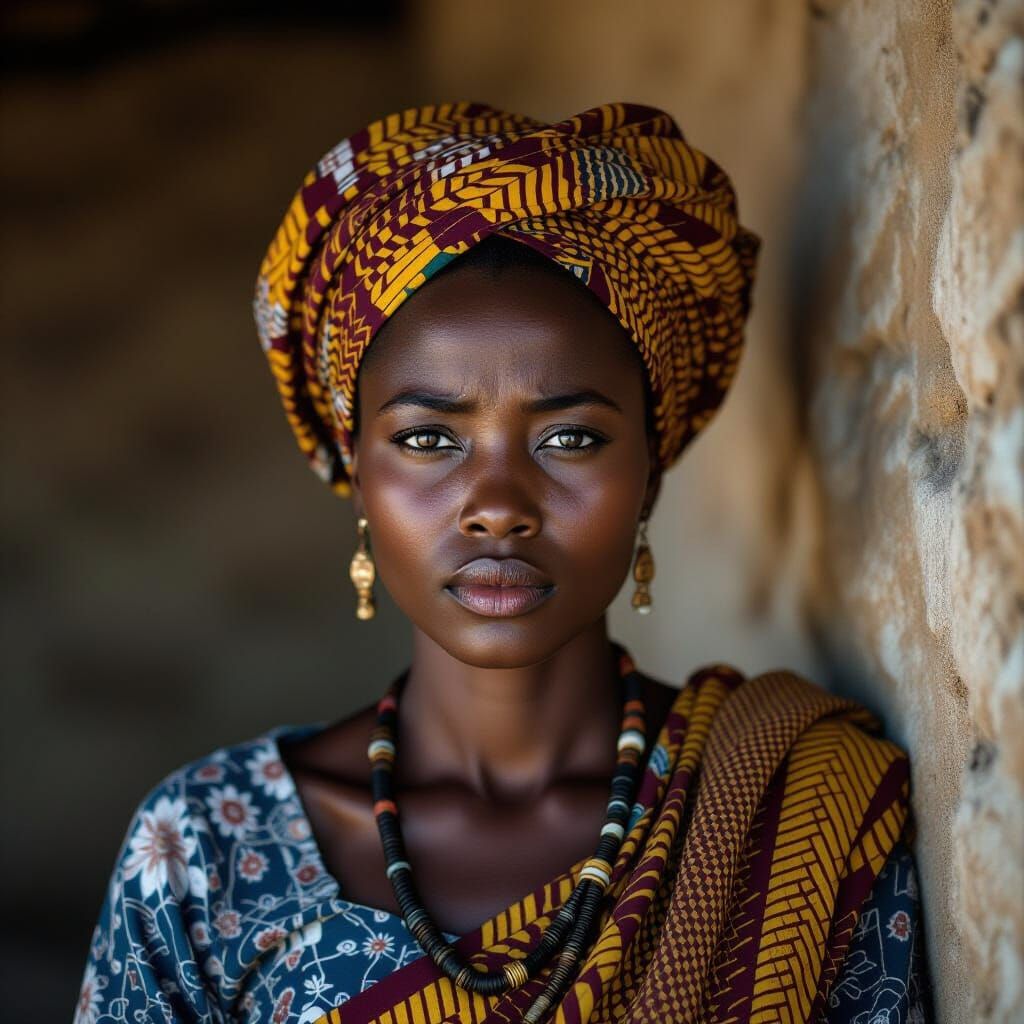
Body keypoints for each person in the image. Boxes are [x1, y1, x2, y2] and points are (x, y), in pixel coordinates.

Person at [75, 102, 930, 1024]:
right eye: (430, 438)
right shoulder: (201, 850)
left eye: (569, 436)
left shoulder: (795, 817)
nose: (497, 504)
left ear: (648, 472)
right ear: (355, 470)